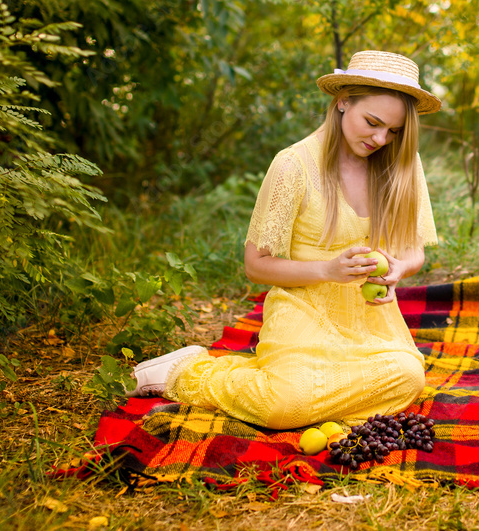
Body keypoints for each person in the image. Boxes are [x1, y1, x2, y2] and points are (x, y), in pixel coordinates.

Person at [129, 50, 441, 430]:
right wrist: (327, 269)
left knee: (410, 376)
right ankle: (189, 371)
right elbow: (255, 264)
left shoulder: (402, 163)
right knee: (282, 405)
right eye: (373, 122)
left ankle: (302, 393)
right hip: (302, 308)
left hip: (368, 318)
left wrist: (397, 268)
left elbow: (414, 251)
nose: (381, 139)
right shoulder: (293, 165)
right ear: (343, 101)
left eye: (393, 131)